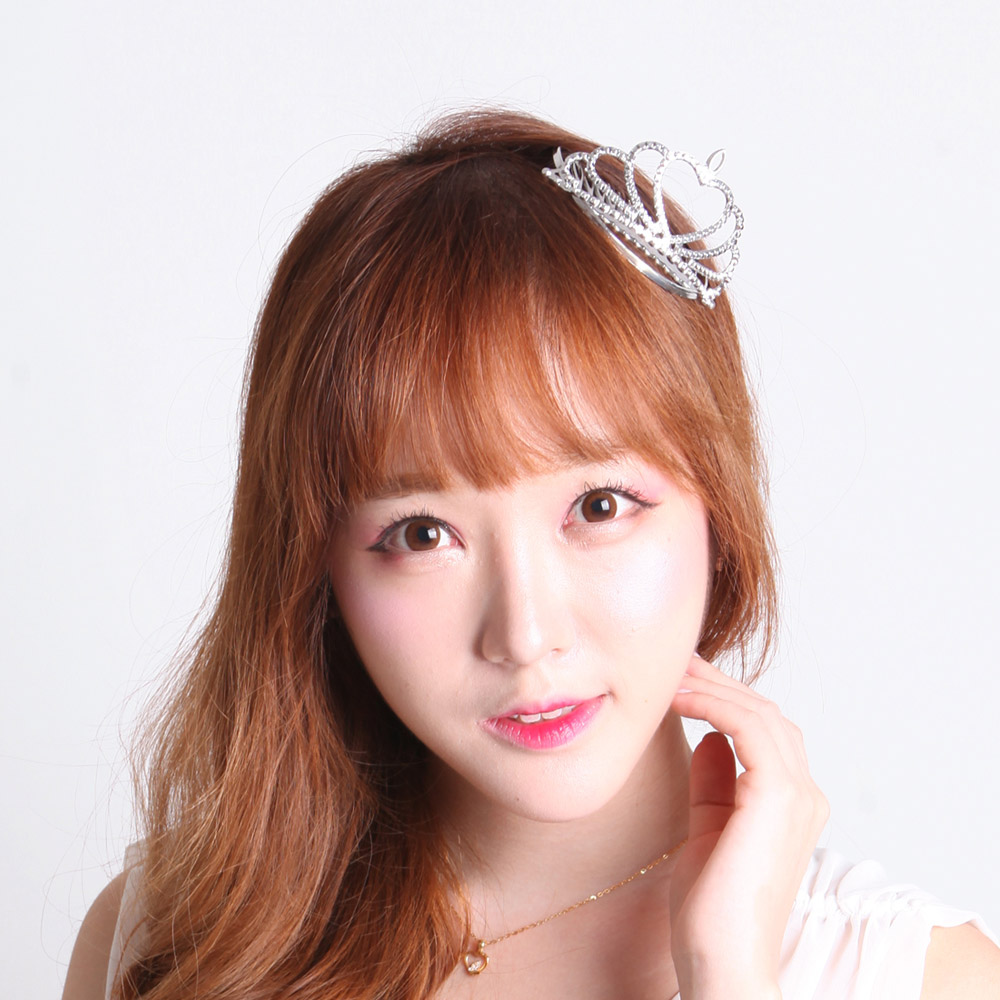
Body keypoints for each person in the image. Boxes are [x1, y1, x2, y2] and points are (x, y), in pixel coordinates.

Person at [63, 109, 1000, 1000]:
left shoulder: (919, 978)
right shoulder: (172, 940)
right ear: (317, 572)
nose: (524, 634)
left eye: (599, 506)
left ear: (719, 506)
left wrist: (730, 975)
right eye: (422, 534)